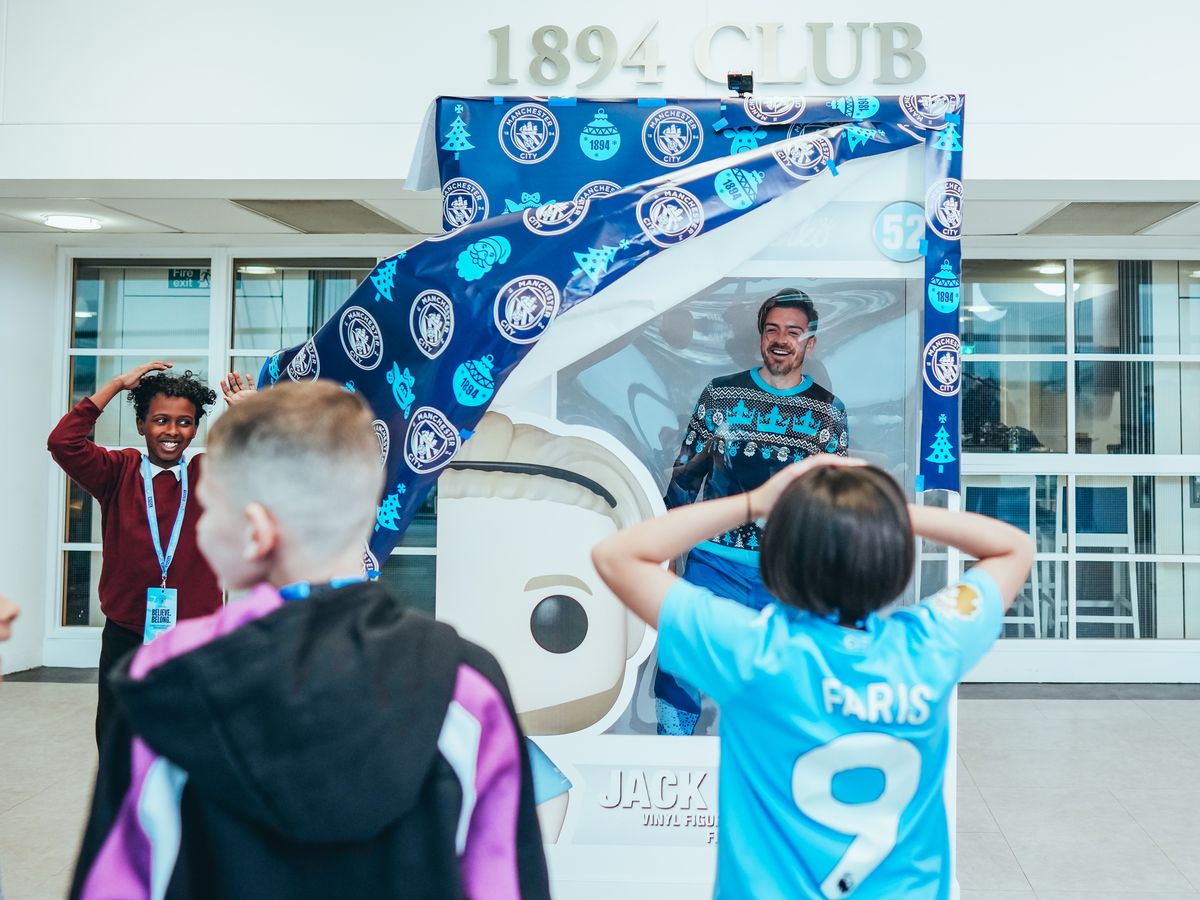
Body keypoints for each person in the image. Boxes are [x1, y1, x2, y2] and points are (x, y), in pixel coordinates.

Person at [70, 381, 550, 900]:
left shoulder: (163, 680)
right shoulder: (466, 684)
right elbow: (504, 879)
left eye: (211, 512)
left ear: (255, 531)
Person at [592, 456, 1034, 898]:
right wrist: (882, 512)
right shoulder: (928, 647)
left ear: (779, 559)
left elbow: (618, 555)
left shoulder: (753, 652)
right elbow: (1013, 548)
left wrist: (753, 503)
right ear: (894, 557)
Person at [657, 287, 848, 734]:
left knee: (780, 681)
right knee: (680, 667)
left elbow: (829, 503)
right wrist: (666, 555)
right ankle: (669, 764)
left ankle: (768, 777)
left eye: (793, 332)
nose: (781, 339)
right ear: (761, 336)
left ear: (810, 342)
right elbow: (686, 476)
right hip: (712, 564)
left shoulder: (829, 414)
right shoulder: (720, 395)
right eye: (772, 330)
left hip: (784, 574)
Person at [47, 361, 224, 748]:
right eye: (161, 420)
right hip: (127, 632)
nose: (173, 431)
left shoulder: (209, 474)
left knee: (193, 740)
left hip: (195, 636)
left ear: (196, 428)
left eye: (185, 422)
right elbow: (63, 443)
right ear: (142, 424)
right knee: (117, 737)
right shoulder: (117, 471)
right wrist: (114, 386)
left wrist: (249, 414)